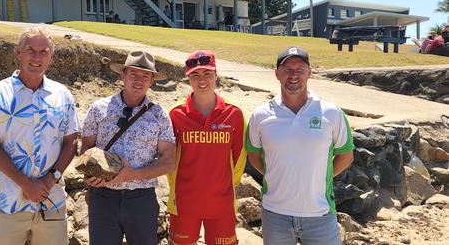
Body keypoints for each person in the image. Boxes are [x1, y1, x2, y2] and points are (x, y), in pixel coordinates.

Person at [0, 28, 80, 245]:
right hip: (9, 202)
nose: (37, 57)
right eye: (30, 50)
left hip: (52, 202)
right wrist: (26, 184)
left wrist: (50, 180)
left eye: (44, 52)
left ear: (51, 57)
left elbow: (71, 142)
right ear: (18, 53)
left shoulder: (63, 95)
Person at [246, 46, 354, 245]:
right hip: (275, 214)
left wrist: (322, 177)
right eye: (287, 69)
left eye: (300, 69)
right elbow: (254, 157)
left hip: (320, 213)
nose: (293, 75)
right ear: (277, 73)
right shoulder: (260, 116)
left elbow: (346, 156)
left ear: (309, 72)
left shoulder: (332, 113)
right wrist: (277, 176)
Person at [81, 50, 176, 245]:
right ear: (122, 75)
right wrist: (91, 177)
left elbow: (168, 161)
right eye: (133, 74)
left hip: (141, 201)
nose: (139, 80)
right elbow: (86, 151)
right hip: (103, 198)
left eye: (145, 76)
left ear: (151, 81)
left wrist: (131, 174)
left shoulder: (159, 116)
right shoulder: (98, 109)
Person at [167, 50, 247, 245]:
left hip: (221, 204)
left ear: (216, 75)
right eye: (195, 75)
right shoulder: (175, 115)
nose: (201, 80)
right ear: (188, 79)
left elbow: (239, 159)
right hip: (184, 203)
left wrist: (222, 186)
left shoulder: (234, 114)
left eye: (207, 74)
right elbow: (169, 161)